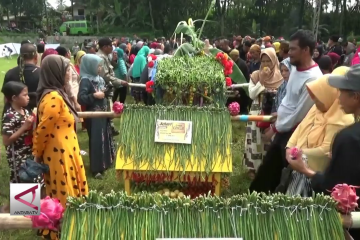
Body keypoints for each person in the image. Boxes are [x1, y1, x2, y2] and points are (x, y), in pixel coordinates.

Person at [287, 64, 360, 239]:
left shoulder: (349, 137)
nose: (338, 97)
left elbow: (335, 189)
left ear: (356, 96)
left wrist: (305, 170)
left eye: (342, 92)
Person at [249, 30, 323, 194]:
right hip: (283, 128)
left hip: (294, 134)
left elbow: (299, 115)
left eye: (293, 49)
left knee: (281, 177)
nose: (288, 53)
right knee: (267, 173)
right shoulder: (295, 67)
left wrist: (275, 128)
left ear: (306, 50)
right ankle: (257, 200)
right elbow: (289, 100)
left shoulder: (313, 79)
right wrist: (278, 115)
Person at [33, 55, 88, 239]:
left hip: (66, 151)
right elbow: (42, 131)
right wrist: (37, 154)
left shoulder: (57, 92)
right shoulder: (53, 97)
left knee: (66, 188)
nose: (68, 74)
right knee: (62, 191)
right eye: (65, 70)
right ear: (55, 72)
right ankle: (62, 229)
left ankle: (71, 225)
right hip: (59, 155)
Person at [285, 67, 354, 197]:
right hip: (300, 167)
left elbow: (325, 150)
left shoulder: (340, 120)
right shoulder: (317, 109)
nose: (315, 103)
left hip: (316, 175)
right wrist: (290, 148)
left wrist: (298, 154)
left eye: (318, 99)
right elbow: (301, 127)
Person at [244, 48, 283, 177]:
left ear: (274, 61)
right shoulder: (256, 75)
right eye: (263, 61)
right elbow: (251, 94)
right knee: (255, 138)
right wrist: (262, 81)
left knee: (269, 138)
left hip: (273, 111)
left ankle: (267, 169)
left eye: (268, 61)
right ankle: (252, 168)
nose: (266, 64)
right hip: (257, 109)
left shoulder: (281, 76)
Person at [77, 54, 116, 179]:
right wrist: (94, 96)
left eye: (101, 66)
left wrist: (107, 91)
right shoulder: (85, 81)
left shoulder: (99, 78)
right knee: (96, 140)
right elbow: (81, 98)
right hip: (94, 115)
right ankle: (96, 169)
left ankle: (106, 162)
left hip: (103, 113)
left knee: (105, 137)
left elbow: (103, 93)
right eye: (98, 66)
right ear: (90, 66)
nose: (100, 68)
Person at [1, 81, 36, 183]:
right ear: (14, 98)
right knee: (21, 180)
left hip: (28, 152)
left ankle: (32, 199)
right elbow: (6, 141)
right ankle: (23, 199)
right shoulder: (10, 116)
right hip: (17, 156)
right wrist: (24, 127)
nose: (28, 97)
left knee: (31, 178)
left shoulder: (25, 111)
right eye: (24, 95)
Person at [2, 43, 39, 112]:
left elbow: (6, 99)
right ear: (36, 57)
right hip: (37, 114)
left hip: (15, 115)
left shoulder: (10, 73)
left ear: (20, 56)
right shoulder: (43, 73)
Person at [227, 49, 251, 114]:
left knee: (242, 109)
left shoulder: (241, 64)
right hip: (235, 88)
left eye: (232, 56)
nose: (231, 58)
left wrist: (238, 89)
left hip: (242, 89)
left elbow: (241, 79)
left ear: (236, 56)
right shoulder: (234, 63)